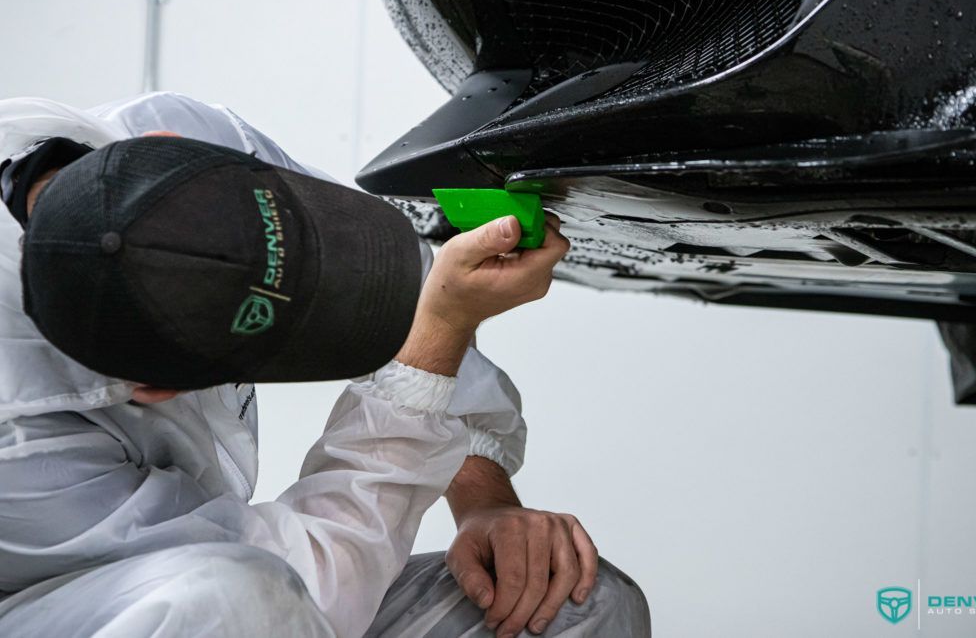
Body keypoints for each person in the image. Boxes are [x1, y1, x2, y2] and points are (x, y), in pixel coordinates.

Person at [0, 92, 650, 637]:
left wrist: (483, 499)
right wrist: (436, 340)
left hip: (237, 589)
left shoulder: (173, 143)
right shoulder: (20, 453)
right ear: (151, 390)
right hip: (82, 609)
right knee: (232, 599)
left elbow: (417, 296)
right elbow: (305, 592)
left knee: (580, 608)